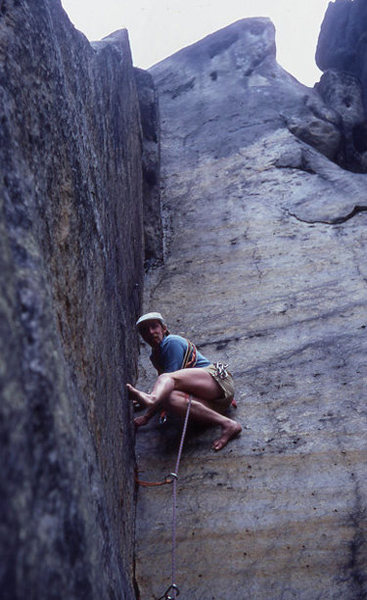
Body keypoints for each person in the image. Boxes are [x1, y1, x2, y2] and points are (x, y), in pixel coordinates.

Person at [127, 312, 242, 451]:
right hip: (211, 404)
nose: (150, 332)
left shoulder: (171, 342)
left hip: (218, 381)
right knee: (168, 398)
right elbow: (166, 389)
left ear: (164, 329)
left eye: (154, 327)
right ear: (142, 336)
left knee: (165, 379)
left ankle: (150, 398)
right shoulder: (155, 356)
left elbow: (169, 379)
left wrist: (147, 415)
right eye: (145, 330)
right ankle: (228, 423)